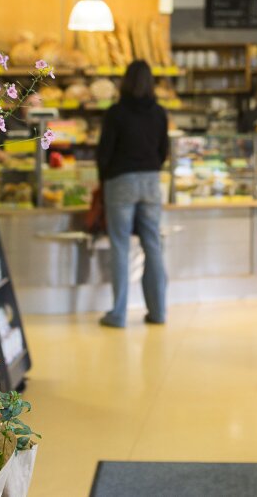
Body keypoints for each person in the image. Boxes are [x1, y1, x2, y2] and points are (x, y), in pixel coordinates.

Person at [96, 60, 169, 328]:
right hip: (151, 181)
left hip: (121, 181)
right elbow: (164, 151)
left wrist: (104, 181)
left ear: (125, 82)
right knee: (153, 245)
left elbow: (104, 153)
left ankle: (118, 314)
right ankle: (159, 311)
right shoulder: (159, 112)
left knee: (120, 246)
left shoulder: (116, 113)